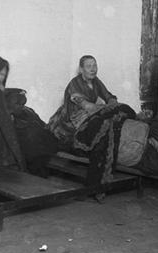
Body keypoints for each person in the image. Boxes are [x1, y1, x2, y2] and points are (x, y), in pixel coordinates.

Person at [49, 55, 136, 189]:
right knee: (101, 126)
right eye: (88, 66)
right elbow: (87, 106)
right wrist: (106, 108)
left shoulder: (96, 82)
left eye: (95, 65)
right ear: (81, 69)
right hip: (72, 120)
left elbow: (108, 96)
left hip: (89, 113)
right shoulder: (74, 84)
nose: (93, 69)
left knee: (113, 118)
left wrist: (112, 104)